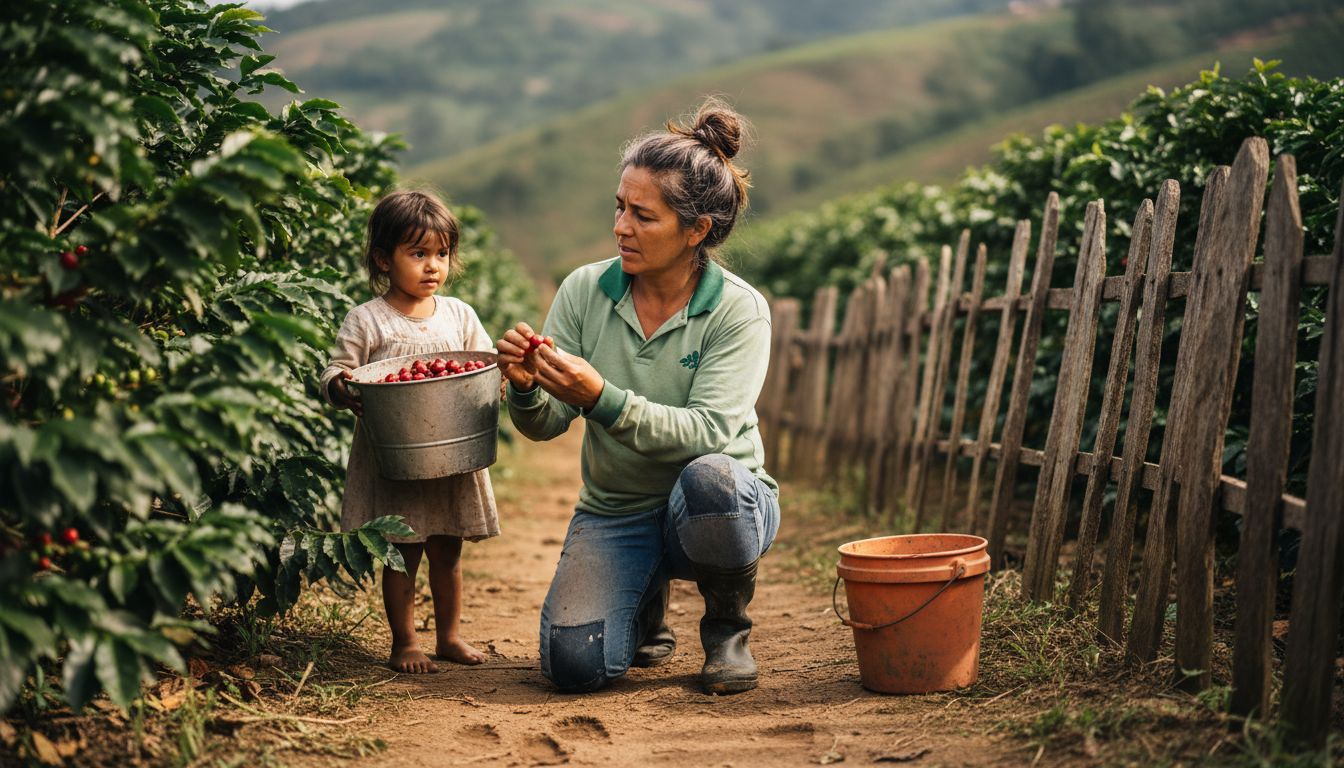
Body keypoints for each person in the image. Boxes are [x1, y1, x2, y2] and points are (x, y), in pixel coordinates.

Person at [496, 98, 778, 695]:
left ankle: (727, 629)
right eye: (619, 208)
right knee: (574, 665)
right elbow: (548, 423)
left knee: (713, 479)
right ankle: (644, 601)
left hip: (718, 506)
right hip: (617, 509)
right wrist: (525, 390)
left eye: (643, 216)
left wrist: (604, 398)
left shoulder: (738, 310)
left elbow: (709, 434)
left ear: (697, 229)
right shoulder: (583, 291)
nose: (621, 226)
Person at [321, 189, 499, 674]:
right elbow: (336, 371)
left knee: (448, 551)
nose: (432, 266)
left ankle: (449, 637)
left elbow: (482, 364)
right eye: (417, 254)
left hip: (451, 455)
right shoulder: (367, 320)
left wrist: (497, 382)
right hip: (397, 458)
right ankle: (404, 642)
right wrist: (343, 387)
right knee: (402, 553)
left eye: (441, 254)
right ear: (384, 258)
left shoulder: (460, 315)